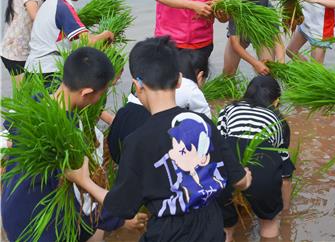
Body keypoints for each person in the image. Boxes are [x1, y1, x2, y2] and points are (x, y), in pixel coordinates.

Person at [66, 37, 252, 242]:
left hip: (167, 234)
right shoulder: (202, 123)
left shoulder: (137, 141)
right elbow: (240, 180)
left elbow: (121, 207)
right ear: (180, 80)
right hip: (211, 228)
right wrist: (247, 176)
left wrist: (84, 181)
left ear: (137, 86)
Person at [2, 47, 145, 241]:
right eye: (100, 94)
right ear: (87, 92)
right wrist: (119, 220)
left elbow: (7, 137)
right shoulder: (68, 137)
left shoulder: (34, 102)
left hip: (12, 211)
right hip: (37, 229)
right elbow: (83, 201)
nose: (99, 100)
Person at [217, 75, 294, 240]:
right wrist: (284, 210)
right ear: (275, 100)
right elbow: (285, 174)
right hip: (262, 165)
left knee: (226, 228)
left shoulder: (228, 109)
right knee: (269, 222)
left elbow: (219, 144)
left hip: (227, 171)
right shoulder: (277, 119)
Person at [108, 48, 212, 164]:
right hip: (151, 133)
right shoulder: (191, 88)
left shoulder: (153, 77)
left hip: (126, 125)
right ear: (200, 76)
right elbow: (206, 122)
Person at [24, 0, 114, 84]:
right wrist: (107, 34)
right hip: (48, 72)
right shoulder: (63, 7)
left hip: (32, 69)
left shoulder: (50, 3)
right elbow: (88, 42)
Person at [1, 0, 63, 78]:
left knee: (32, 91)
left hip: (25, 51)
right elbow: (38, 18)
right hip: (16, 54)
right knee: (25, 95)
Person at [222, 0, 285, 76]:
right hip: (242, 35)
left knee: (267, 71)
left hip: (263, 37)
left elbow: (277, 41)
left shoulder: (270, 11)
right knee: (228, 73)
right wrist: (255, 63)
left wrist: (281, 63)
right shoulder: (236, 12)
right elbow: (235, 44)